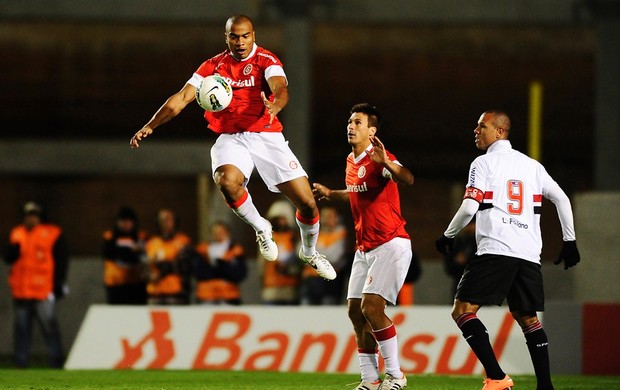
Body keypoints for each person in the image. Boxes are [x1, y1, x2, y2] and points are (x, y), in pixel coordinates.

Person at [129, 14, 335, 281]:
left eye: (245, 36)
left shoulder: (266, 60)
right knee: (226, 180)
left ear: (254, 36)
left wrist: (276, 104)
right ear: (226, 37)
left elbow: (281, 87)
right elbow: (181, 98)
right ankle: (262, 227)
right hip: (232, 137)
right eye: (234, 36)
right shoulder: (213, 67)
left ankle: (309, 252)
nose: (240, 42)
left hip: (266, 136)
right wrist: (151, 125)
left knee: (307, 203)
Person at [435, 110, 581, 390]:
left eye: (482, 126)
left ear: (499, 131)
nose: (476, 131)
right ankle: (546, 386)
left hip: (496, 247)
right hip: (527, 253)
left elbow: (469, 207)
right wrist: (570, 240)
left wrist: (447, 235)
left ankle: (497, 377)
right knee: (527, 318)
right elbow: (561, 199)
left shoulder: (483, 163)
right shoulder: (533, 166)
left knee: (463, 310)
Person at [313, 103, 414, 390]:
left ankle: (396, 376)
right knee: (355, 312)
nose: (351, 126)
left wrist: (388, 163)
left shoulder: (379, 159)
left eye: (357, 122)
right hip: (364, 248)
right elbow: (357, 193)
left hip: (390, 243)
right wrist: (332, 194)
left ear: (372, 130)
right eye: (349, 121)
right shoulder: (351, 159)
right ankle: (370, 380)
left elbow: (407, 178)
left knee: (372, 308)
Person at [3, 201, 69, 368]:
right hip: (21, 290)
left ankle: (56, 361)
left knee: (49, 327)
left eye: (34, 216)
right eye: (28, 216)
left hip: (43, 290)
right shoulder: (17, 233)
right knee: (22, 329)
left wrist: (58, 283)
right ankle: (20, 361)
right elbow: (9, 258)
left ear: (40, 217)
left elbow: (61, 260)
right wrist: (10, 251)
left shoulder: (51, 233)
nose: (31, 219)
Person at [300, 205, 348, 305]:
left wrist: (312, 252)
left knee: (327, 316)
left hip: (329, 284)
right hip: (309, 282)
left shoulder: (340, 233)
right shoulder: (314, 231)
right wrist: (322, 252)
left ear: (337, 218)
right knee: (305, 316)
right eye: (324, 216)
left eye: (330, 216)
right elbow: (300, 252)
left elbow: (334, 257)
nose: (326, 219)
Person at [145, 208, 193, 305]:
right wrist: (148, 275)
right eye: (162, 220)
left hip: (176, 293)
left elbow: (185, 265)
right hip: (155, 293)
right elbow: (144, 266)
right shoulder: (152, 243)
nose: (165, 223)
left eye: (168, 219)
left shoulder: (183, 241)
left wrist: (161, 268)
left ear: (175, 221)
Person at [102, 206, 148, 305]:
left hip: (137, 284)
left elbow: (145, 255)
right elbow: (111, 253)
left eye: (128, 221)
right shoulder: (110, 237)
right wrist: (132, 252)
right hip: (116, 284)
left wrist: (129, 253)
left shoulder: (141, 237)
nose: (126, 224)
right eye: (123, 221)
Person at [194, 220, 247, 305]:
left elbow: (239, 273)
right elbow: (198, 272)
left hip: (228, 296)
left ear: (227, 233)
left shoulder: (235, 250)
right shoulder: (203, 250)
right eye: (215, 232)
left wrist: (222, 267)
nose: (218, 234)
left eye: (221, 232)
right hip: (207, 296)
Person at [260, 200, 302, 305]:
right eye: (277, 219)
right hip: (271, 286)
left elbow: (298, 259)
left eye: (283, 219)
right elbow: (261, 263)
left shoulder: (294, 237)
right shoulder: (266, 238)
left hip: (290, 286)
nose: (280, 222)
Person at [442, 220, 476, 300]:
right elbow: (449, 266)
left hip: (478, 284)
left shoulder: (481, 244)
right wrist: (458, 263)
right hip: (460, 283)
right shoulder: (457, 243)